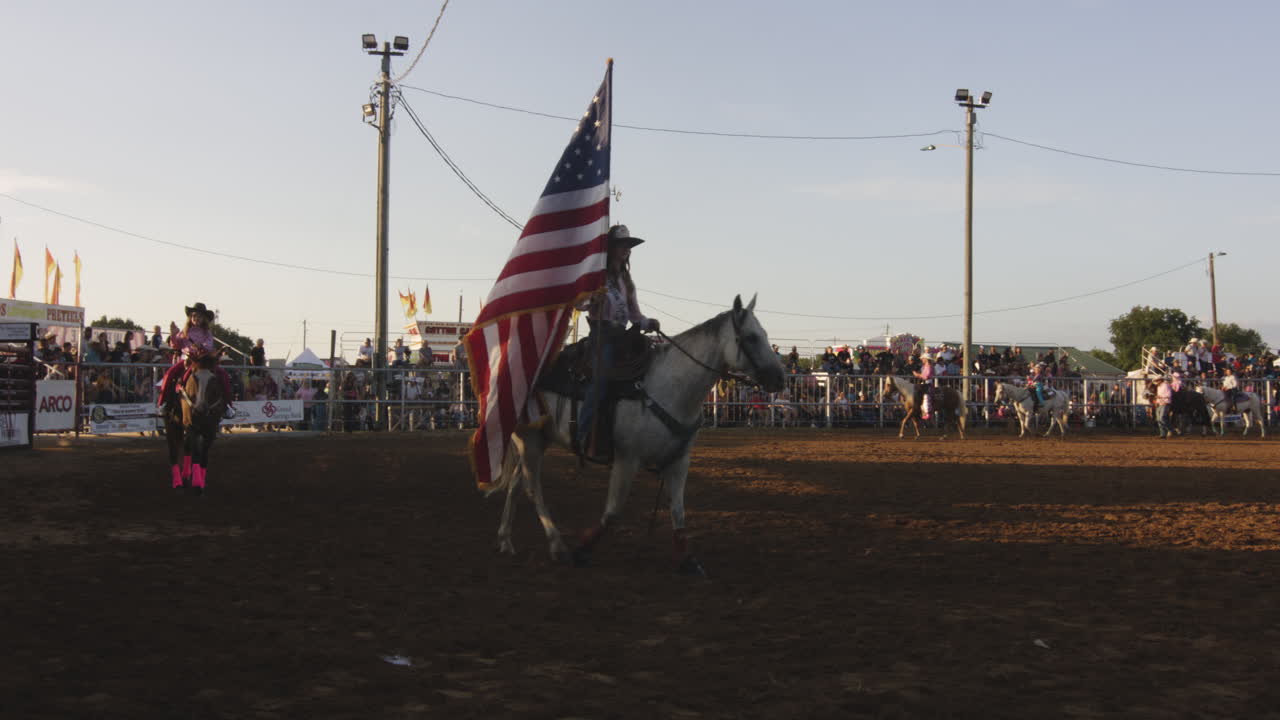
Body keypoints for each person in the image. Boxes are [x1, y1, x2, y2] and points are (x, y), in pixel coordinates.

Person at [574, 224, 659, 454]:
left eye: (628, 246)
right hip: (601, 336)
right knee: (600, 382)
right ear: (610, 249)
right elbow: (578, 304)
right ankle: (582, 434)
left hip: (622, 336)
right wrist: (593, 298)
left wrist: (648, 322)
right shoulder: (597, 278)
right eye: (622, 245)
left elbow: (635, 315)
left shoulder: (626, 281)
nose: (626, 250)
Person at [157, 302, 234, 410]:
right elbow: (176, 345)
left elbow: (209, 345)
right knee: (169, 374)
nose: (196, 318)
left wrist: (201, 345)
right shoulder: (184, 332)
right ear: (190, 317)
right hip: (188, 360)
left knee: (223, 375)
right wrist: (173, 334)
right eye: (194, 316)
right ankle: (162, 404)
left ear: (204, 319)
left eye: (199, 316)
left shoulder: (206, 332)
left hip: (204, 361)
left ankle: (228, 405)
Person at [912, 353, 935, 419]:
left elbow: (926, 376)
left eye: (923, 358)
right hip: (924, 384)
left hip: (928, 384)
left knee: (926, 396)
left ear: (926, 359)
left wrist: (917, 375)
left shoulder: (929, 367)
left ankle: (928, 413)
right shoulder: (925, 366)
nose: (922, 359)